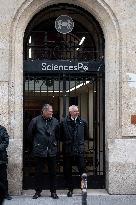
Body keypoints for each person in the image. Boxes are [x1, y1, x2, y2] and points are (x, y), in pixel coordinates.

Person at [28, 104, 59, 199]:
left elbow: (58, 134)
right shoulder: (35, 120)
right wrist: (36, 145)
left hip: (51, 151)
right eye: (50, 112)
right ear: (44, 111)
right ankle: (38, 192)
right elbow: (30, 135)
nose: (52, 113)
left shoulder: (55, 121)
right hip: (39, 151)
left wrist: (54, 143)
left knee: (53, 173)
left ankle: (53, 192)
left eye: (52, 111)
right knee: (38, 173)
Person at [61, 105, 87, 197]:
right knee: (68, 170)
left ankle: (84, 189)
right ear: (70, 112)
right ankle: (70, 189)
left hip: (79, 150)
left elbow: (86, 135)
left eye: (78, 111)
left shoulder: (83, 122)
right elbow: (60, 136)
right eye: (75, 111)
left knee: (82, 170)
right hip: (68, 150)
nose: (77, 112)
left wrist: (81, 144)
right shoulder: (64, 122)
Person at [0, 125, 12, 200]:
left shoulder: (2, 129)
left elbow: (6, 140)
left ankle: (5, 194)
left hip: (1, 158)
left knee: (3, 177)